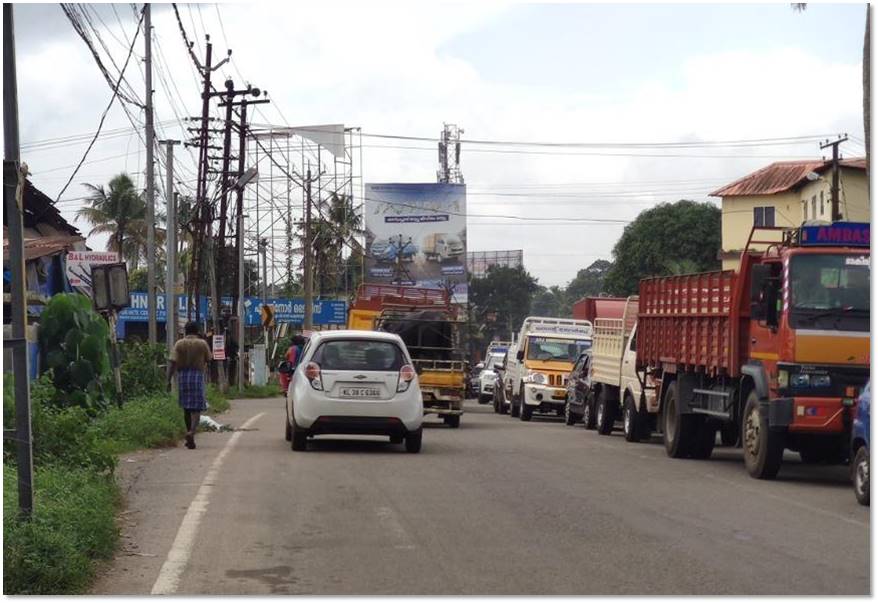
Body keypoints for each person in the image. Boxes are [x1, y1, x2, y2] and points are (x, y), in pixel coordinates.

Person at [167, 321, 213, 450]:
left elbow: (172, 362)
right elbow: (209, 359)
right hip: (197, 376)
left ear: (186, 331)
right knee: (197, 408)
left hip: (182, 376)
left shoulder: (179, 343)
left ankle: (189, 436)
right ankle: (191, 432)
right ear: (197, 331)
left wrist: (168, 380)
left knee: (186, 408)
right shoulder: (202, 343)